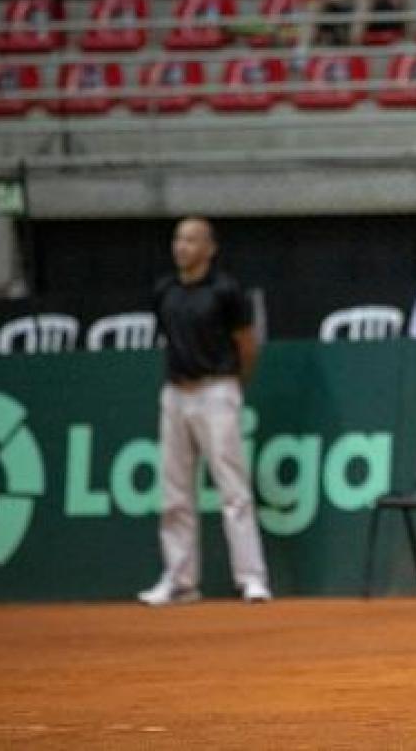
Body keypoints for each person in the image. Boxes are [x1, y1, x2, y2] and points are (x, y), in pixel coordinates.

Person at [138, 217, 272, 606]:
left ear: (209, 249)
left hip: (218, 391)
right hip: (175, 395)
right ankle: (180, 580)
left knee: (233, 490)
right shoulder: (164, 290)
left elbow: (247, 345)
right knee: (174, 492)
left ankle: (251, 579)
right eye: (178, 239)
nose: (182, 246)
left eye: (192, 240)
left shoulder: (227, 291)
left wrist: (232, 385)